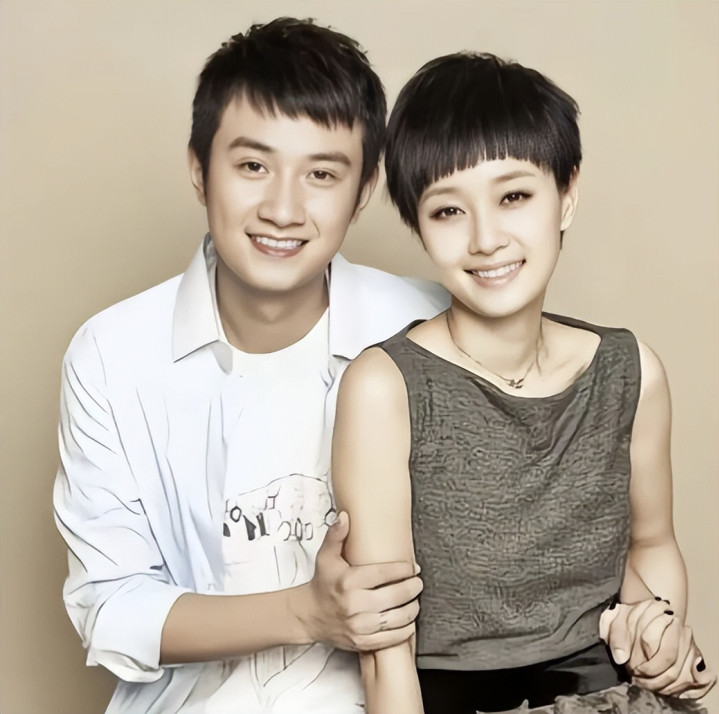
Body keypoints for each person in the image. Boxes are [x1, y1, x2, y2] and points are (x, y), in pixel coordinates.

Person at [53, 18, 448, 714]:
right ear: (199, 169)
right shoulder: (112, 354)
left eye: (321, 174)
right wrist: (307, 613)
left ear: (364, 190)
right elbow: (109, 608)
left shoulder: (427, 327)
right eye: (253, 166)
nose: (283, 209)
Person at [331, 52, 715, 713]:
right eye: (448, 211)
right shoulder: (385, 386)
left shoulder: (630, 372)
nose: (486, 239)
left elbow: (651, 544)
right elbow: (384, 646)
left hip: (609, 695)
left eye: (513, 197)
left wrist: (659, 631)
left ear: (567, 194)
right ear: (418, 224)